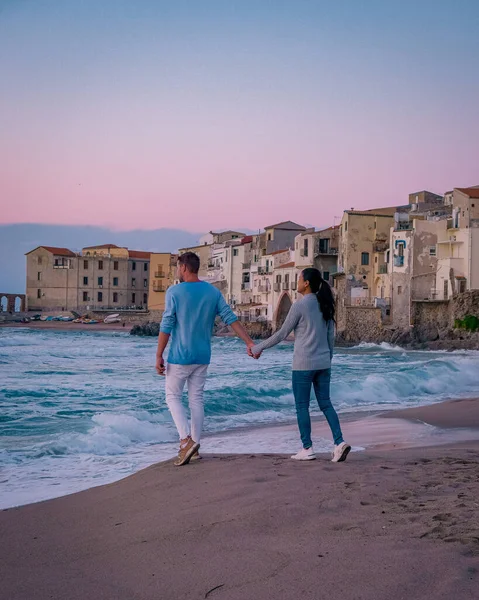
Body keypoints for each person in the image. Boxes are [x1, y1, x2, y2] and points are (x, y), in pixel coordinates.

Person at [156, 252, 255, 466]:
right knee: (196, 400)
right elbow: (231, 319)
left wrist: (158, 355)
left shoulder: (174, 291)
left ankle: (185, 441)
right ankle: (196, 446)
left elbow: (166, 325)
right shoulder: (212, 292)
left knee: (172, 397)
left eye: (177, 267)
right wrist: (249, 342)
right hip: (202, 356)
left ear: (183, 267)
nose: (176, 270)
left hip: (180, 356)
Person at [249, 268, 350, 462]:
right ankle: (339, 442)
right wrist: (327, 360)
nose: (297, 281)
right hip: (323, 363)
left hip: (303, 365)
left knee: (302, 406)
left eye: (299, 278)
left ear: (306, 284)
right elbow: (331, 336)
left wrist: (257, 348)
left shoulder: (299, 306)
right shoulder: (325, 304)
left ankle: (307, 448)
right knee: (326, 404)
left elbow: (281, 334)